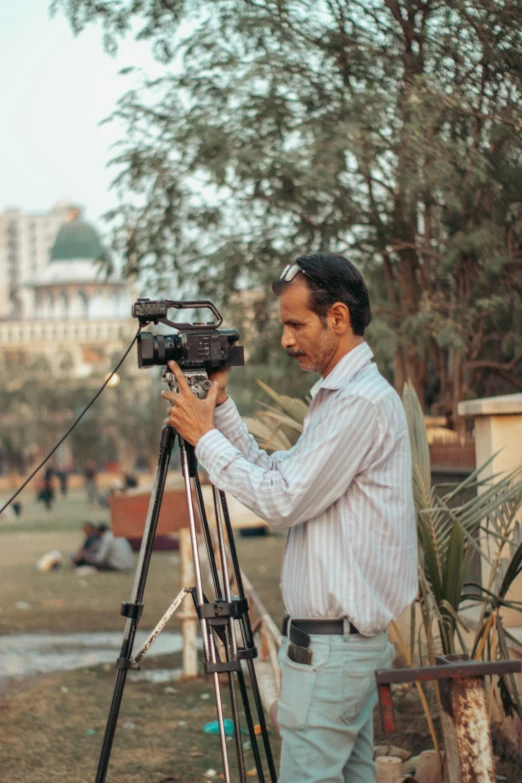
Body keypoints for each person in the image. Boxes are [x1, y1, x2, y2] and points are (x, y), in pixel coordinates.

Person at [161, 252, 418, 783]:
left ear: (339, 318)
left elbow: (282, 502)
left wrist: (203, 438)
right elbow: (280, 474)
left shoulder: (358, 405)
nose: (285, 339)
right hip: (338, 650)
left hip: (333, 654)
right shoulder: (341, 399)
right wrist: (221, 408)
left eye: (296, 324)